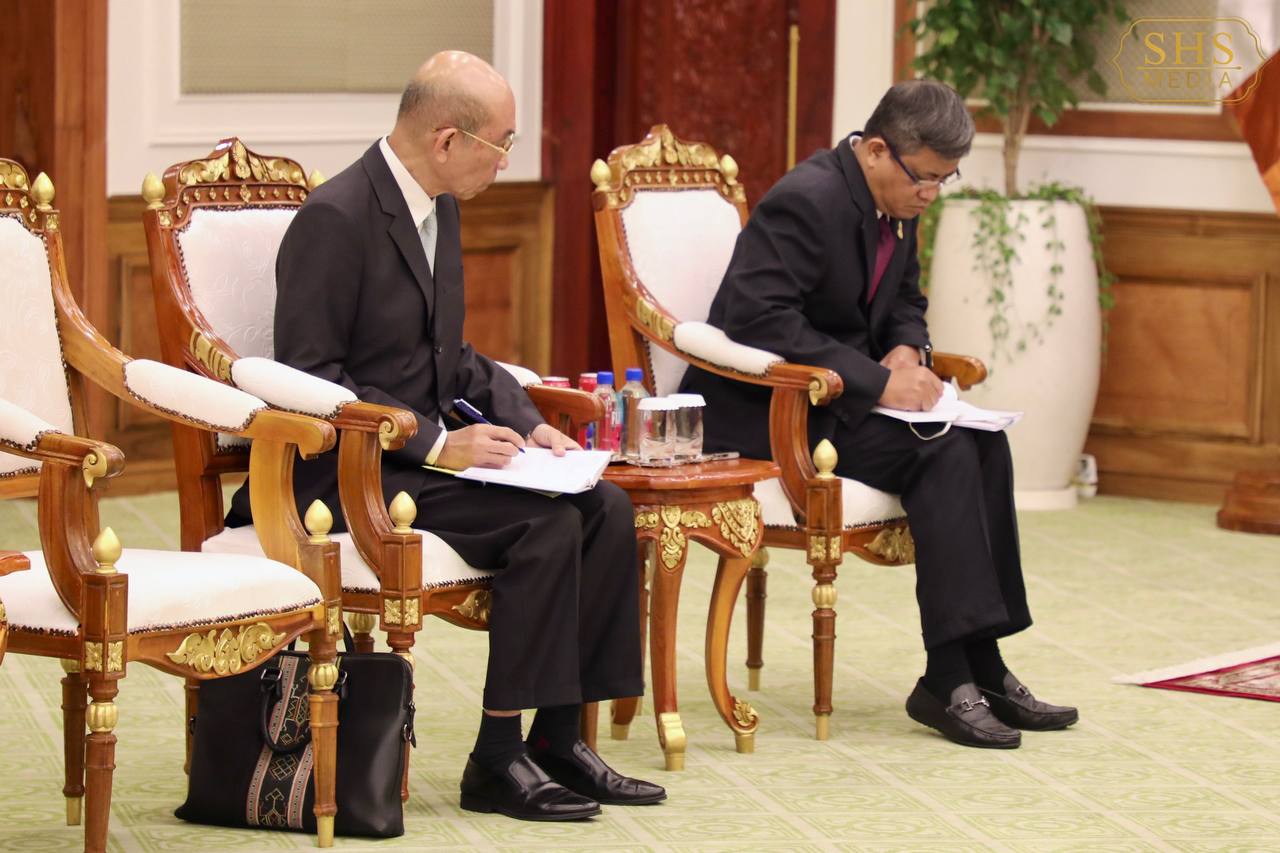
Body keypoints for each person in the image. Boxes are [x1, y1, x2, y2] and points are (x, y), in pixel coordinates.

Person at [228, 51, 664, 819]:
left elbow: (451, 357)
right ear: (447, 140)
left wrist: (531, 423)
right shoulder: (336, 219)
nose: (506, 160)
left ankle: (559, 739)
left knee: (606, 507)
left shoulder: (441, 209)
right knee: (545, 525)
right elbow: (312, 377)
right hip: (349, 469)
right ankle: (497, 756)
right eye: (503, 142)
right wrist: (436, 444)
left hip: (420, 462)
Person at [679, 80, 1077, 749]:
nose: (931, 194)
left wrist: (907, 348)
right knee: (942, 451)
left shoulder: (898, 196)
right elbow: (756, 318)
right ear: (875, 151)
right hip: (770, 409)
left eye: (945, 180)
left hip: (842, 399)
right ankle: (946, 677)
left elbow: (906, 299)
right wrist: (878, 382)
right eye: (926, 177)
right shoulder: (807, 200)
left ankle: (984, 665)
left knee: (983, 446)